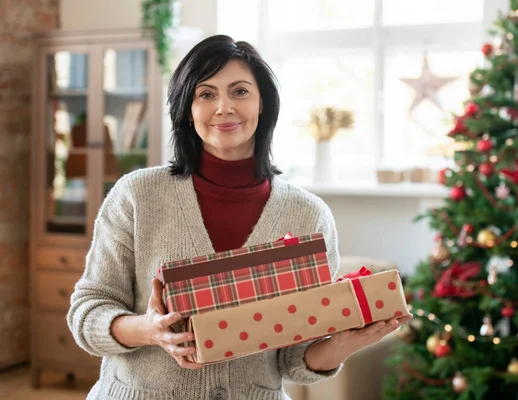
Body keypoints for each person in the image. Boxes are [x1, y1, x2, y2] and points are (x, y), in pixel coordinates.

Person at [67, 35, 410, 400]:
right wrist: (149, 330)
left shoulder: (309, 216)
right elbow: (89, 313)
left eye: (240, 91)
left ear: (263, 103)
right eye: (206, 94)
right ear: (187, 109)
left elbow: (295, 359)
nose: (224, 107)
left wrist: (342, 343)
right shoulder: (137, 195)